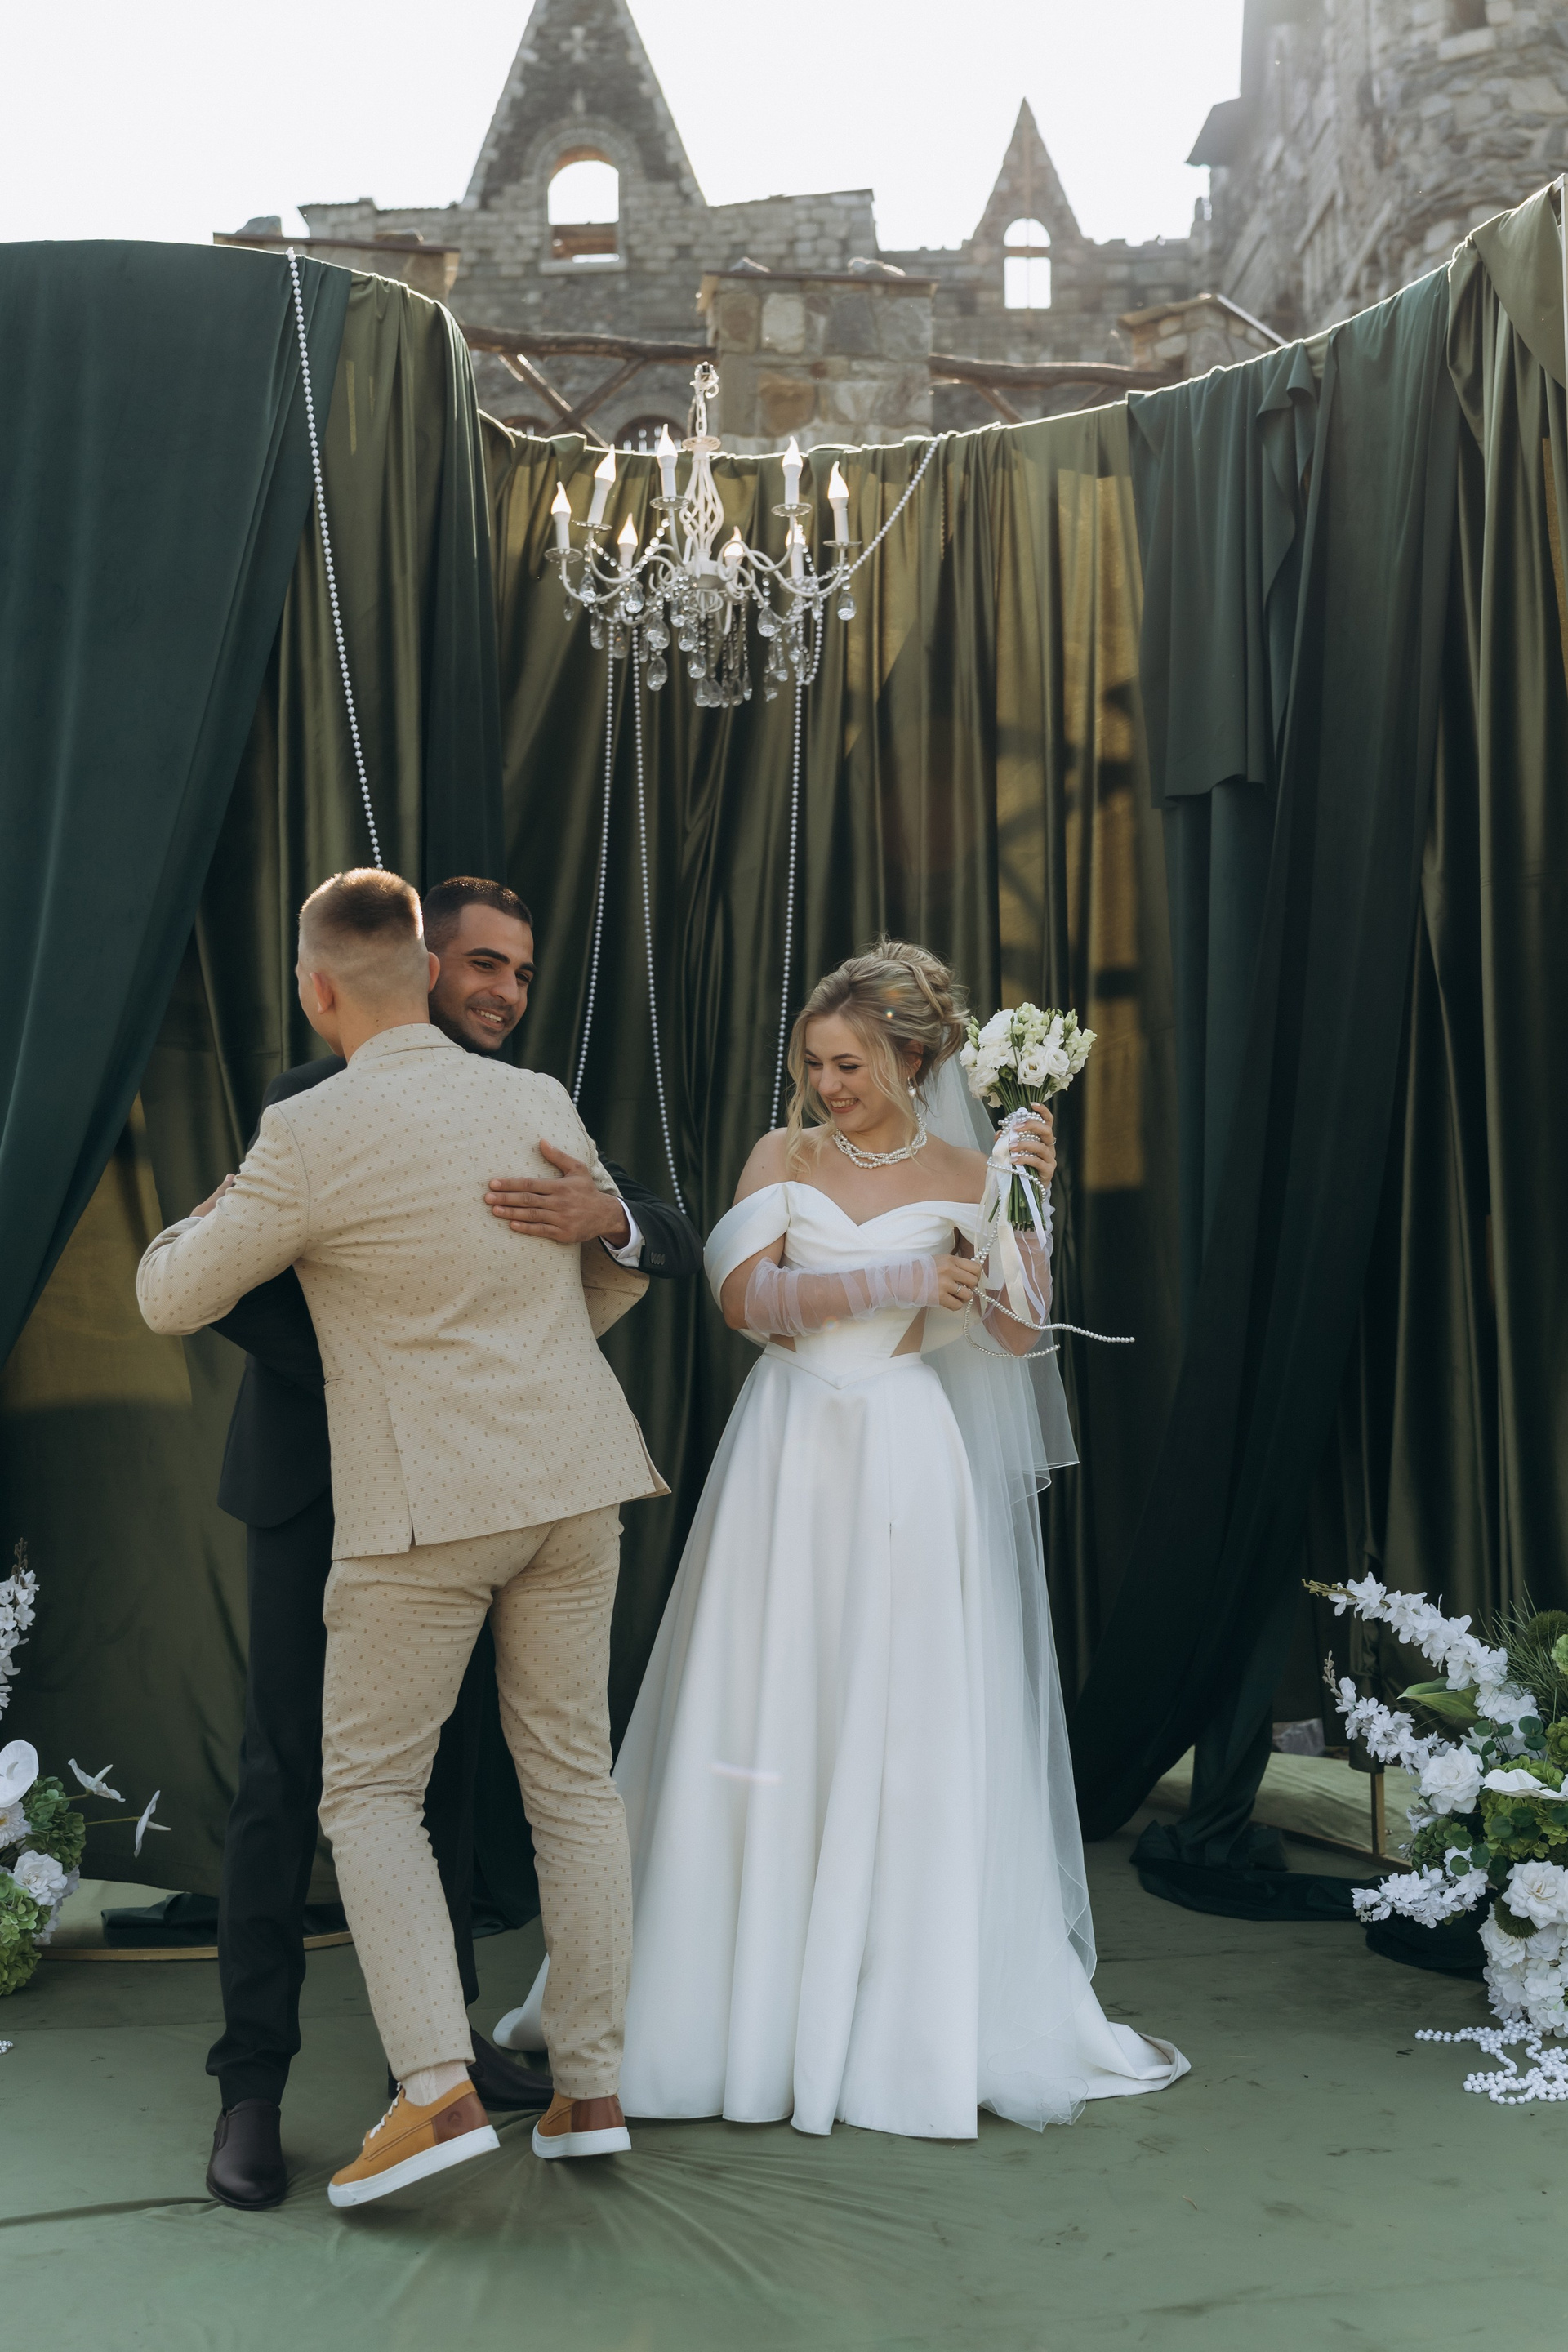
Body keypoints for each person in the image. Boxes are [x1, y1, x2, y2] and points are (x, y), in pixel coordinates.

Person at [497, 941, 1187, 2138]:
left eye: (850, 1064)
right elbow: (742, 1303)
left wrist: (1029, 1204)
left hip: (906, 1458)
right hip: (787, 1450)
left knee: (899, 1716)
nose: (828, 1085)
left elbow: (1017, 1336)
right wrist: (895, 1283)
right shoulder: (786, 1156)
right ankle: (730, 2004)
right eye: (814, 1064)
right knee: (761, 1695)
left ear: (913, 1059)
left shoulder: (972, 1169)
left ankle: (888, 2017)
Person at [138, 868, 667, 2210]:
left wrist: (209, 1219)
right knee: (575, 1786)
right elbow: (597, 1289)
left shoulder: (309, 1130)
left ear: (318, 988)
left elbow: (169, 1297)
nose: (505, 990)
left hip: (427, 1500)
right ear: (425, 971)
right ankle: (590, 2089)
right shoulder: (537, 1100)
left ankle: (433, 2089)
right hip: (574, 1478)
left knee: (366, 1794)